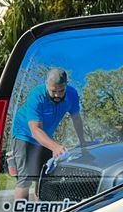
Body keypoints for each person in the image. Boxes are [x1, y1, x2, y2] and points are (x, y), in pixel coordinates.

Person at [12, 67, 86, 198]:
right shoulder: (37, 96)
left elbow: (76, 119)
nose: (57, 95)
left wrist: (83, 142)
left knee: (45, 177)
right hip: (24, 134)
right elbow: (35, 130)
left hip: (45, 136)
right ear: (47, 85)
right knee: (26, 178)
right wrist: (55, 147)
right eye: (53, 91)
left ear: (66, 85)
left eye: (61, 90)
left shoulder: (72, 94)